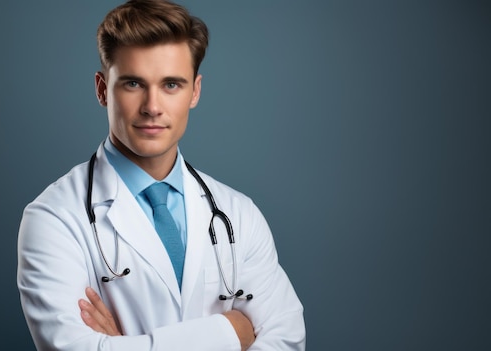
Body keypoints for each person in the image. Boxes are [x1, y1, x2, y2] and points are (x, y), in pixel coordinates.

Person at [17, 1, 305, 350]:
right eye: (134, 83)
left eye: (171, 85)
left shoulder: (237, 214)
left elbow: (287, 339)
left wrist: (127, 344)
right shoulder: (54, 218)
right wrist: (231, 333)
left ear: (194, 91)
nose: (152, 106)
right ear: (102, 89)